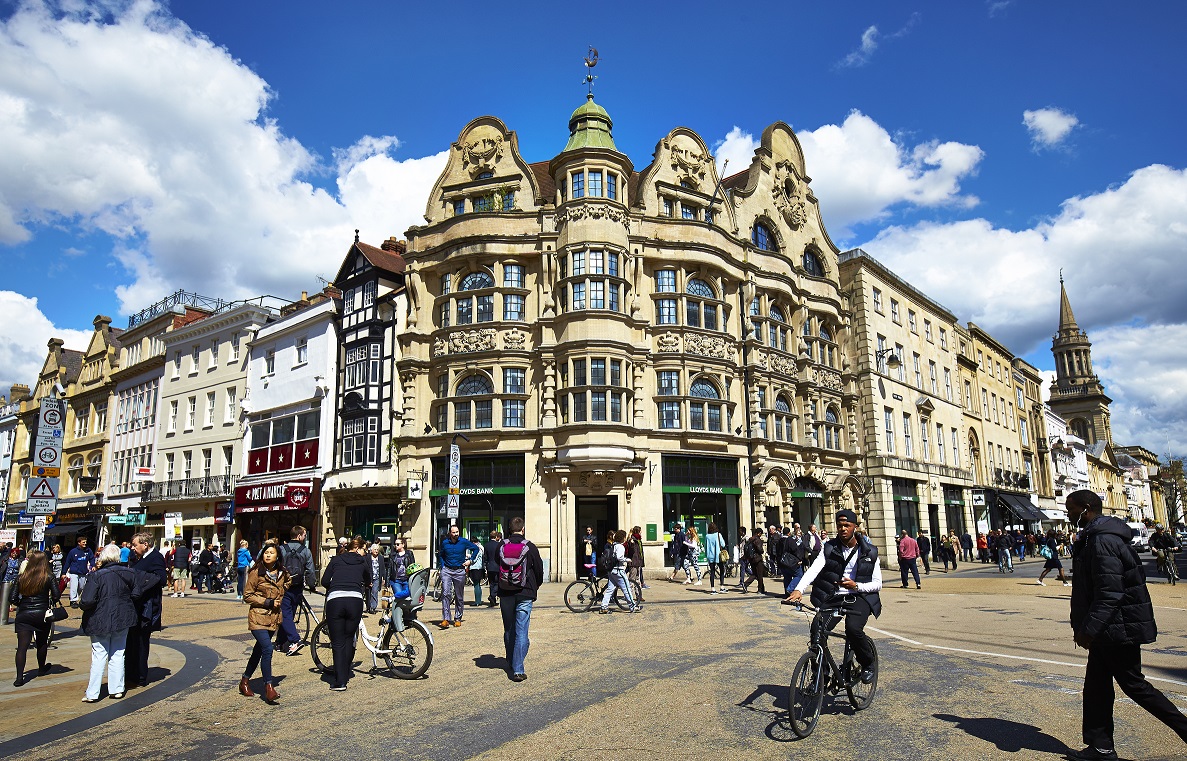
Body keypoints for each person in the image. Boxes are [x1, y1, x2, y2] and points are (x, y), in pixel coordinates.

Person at [1066, 489, 1187, 760]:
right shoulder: (1095, 537)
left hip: (1116, 628)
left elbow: (1110, 592)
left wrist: (1089, 629)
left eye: (1071, 509)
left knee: (1135, 686)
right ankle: (1101, 747)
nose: (1069, 514)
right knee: (1096, 689)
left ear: (1086, 509)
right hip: (1109, 628)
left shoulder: (1102, 541)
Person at [787, 509, 883, 684]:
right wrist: (799, 589)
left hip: (859, 597)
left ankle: (868, 663)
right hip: (835, 597)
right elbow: (814, 570)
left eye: (847, 525)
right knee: (817, 630)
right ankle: (821, 675)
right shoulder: (829, 547)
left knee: (853, 629)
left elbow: (878, 583)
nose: (843, 529)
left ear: (855, 527)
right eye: (840, 525)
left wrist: (856, 586)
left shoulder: (870, 552)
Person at [79, 544, 142, 702]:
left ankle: (93, 693)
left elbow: (87, 600)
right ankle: (117, 689)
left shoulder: (96, 575)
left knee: (99, 655)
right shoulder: (130, 572)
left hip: (100, 618)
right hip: (122, 617)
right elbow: (137, 593)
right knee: (118, 653)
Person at [320, 536, 371, 691]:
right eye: (363, 550)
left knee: (337, 641)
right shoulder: (362, 562)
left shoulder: (336, 560)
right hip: (355, 600)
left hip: (336, 600)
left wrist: (335, 585)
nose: (365, 553)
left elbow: (324, 581)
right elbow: (368, 580)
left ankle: (340, 681)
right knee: (349, 638)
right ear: (356, 548)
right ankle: (345, 671)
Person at [240, 543, 289, 703]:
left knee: (258, 650)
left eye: (271, 553)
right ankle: (269, 687)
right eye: (266, 552)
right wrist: (268, 602)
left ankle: (245, 680)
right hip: (258, 617)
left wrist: (282, 592)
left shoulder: (282, 572)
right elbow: (247, 595)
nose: (268, 555)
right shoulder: (256, 572)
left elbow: (287, 582)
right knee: (267, 648)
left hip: (273, 619)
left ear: (277, 556)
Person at [497, 516, 543, 682]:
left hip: (505, 592)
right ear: (523, 529)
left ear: (509, 529)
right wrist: (535, 586)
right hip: (525, 592)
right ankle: (518, 669)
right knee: (522, 631)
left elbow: (496, 565)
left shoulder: (501, 545)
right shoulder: (530, 547)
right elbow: (539, 570)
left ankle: (510, 660)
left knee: (509, 629)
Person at [125, 532, 167, 688]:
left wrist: (139, 580)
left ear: (145, 544)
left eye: (135, 545)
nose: (132, 548)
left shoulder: (155, 557)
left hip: (146, 608)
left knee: (141, 642)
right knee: (132, 641)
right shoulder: (140, 558)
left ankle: (140, 676)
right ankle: (131, 673)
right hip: (137, 606)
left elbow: (161, 579)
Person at [11, 550, 59, 687]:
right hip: (41, 613)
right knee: (42, 642)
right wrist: (49, 601)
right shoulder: (48, 576)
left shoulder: (22, 577)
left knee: (22, 646)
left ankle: (19, 677)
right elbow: (56, 595)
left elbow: (12, 598)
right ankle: (41, 668)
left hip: (24, 614)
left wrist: (21, 604)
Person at [277, 526, 318, 657]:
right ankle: (283, 642)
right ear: (299, 536)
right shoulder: (305, 551)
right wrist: (312, 585)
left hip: (284, 586)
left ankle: (292, 640)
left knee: (285, 614)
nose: (305, 537)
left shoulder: (282, 549)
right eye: (304, 535)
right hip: (297, 586)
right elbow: (310, 571)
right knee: (289, 614)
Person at [438, 525, 478, 629]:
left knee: (459, 595)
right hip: (447, 570)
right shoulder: (445, 543)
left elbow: (476, 549)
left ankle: (458, 618)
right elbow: (441, 554)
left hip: (459, 570)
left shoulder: (463, 541)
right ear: (449, 533)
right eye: (453, 532)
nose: (456, 534)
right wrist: (442, 566)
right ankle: (446, 619)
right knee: (445, 593)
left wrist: (470, 561)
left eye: (457, 532)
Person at [598, 529, 640, 614]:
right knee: (626, 589)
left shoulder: (613, 545)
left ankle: (604, 607)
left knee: (610, 590)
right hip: (619, 571)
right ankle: (633, 606)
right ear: (623, 538)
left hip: (612, 571)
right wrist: (627, 559)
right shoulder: (620, 547)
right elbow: (619, 557)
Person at [65, 536, 95, 607]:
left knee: (81, 587)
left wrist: (93, 565)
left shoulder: (88, 551)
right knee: (74, 587)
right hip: (74, 572)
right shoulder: (73, 551)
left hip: (83, 572)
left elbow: (91, 559)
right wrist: (64, 572)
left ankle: (74, 597)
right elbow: (67, 562)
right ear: (79, 543)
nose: (85, 543)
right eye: (83, 542)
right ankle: (73, 601)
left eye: (85, 542)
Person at [739, 528, 766, 594]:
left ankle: (761, 589)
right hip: (757, 559)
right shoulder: (757, 540)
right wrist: (762, 551)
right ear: (759, 533)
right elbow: (760, 550)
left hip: (751, 559)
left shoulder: (750, 539)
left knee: (755, 574)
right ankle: (759, 589)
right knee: (759, 575)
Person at [703, 522, 727, 594]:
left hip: (710, 556)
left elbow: (705, 546)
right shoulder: (718, 535)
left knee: (712, 572)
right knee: (722, 570)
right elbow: (723, 544)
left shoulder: (707, 536)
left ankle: (712, 589)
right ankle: (722, 587)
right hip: (718, 555)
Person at [482, 531, 503, 608]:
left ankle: (492, 600)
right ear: (496, 536)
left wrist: (485, 565)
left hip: (489, 566)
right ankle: (492, 596)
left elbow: (485, 557)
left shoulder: (486, 545)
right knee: (497, 582)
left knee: (491, 583)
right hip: (497, 566)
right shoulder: (498, 545)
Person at [366, 543, 388, 614]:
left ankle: (373, 607)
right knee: (368, 592)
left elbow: (383, 568)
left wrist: (384, 578)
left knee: (375, 591)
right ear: (371, 550)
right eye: (375, 549)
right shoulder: (367, 557)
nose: (376, 551)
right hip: (369, 577)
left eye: (377, 550)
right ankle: (368, 606)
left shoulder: (380, 557)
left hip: (377, 578)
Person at [467, 533, 486, 606]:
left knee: (476, 585)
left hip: (476, 568)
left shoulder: (477, 548)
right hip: (480, 568)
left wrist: (469, 557)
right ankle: (479, 600)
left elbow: (474, 559)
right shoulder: (481, 547)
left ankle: (477, 601)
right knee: (477, 585)